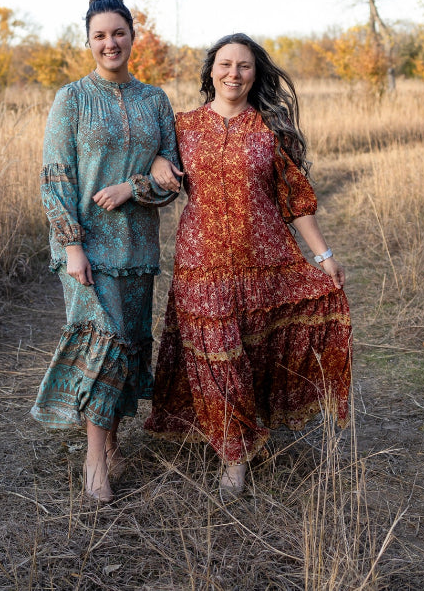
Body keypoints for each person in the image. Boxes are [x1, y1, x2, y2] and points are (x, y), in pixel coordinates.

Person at [145, 32, 352, 495]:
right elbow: (155, 173)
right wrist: (159, 159)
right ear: (210, 71)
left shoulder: (269, 131)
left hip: (264, 261)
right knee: (216, 358)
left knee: (249, 355)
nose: (233, 73)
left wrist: (324, 257)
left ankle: (244, 430)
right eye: (224, 64)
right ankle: (234, 456)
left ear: (255, 74)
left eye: (243, 66)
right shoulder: (182, 127)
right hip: (201, 264)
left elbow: (297, 202)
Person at [31, 0, 179, 504]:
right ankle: (95, 461)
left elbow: (170, 177)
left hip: (138, 250)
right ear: (88, 41)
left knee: (128, 348)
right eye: (100, 35)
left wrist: (135, 186)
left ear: (133, 37)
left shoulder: (154, 101)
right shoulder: (71, 98)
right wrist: (71, 246)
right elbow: (56, 177)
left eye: (119, 33)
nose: (110, 42)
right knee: (101, 344)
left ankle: (112, 442)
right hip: (88, 250)